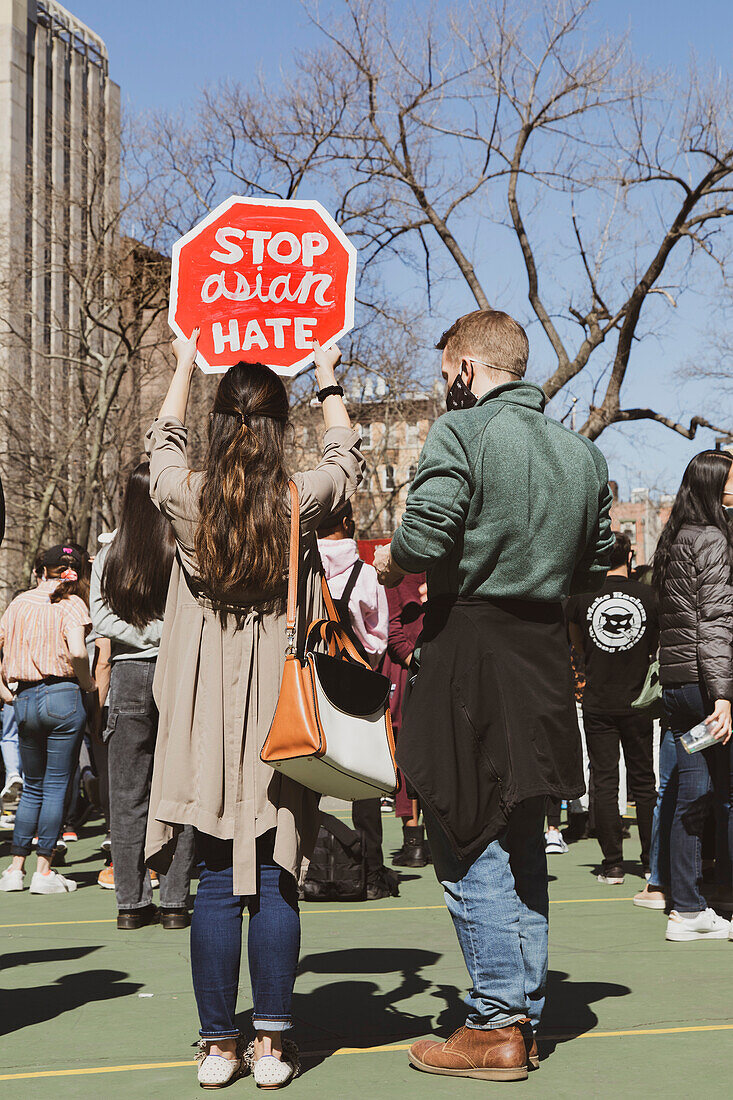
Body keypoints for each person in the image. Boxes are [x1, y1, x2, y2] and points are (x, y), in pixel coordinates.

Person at [374, 309, 613, 1081]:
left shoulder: (462, 433)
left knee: (464, 826)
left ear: (467, 367)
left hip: (467, 646)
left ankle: (493, 1023)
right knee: (519, 833)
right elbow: (600, 556)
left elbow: (427, 536)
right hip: (540, 652)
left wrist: (392, 562)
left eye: (446, 374)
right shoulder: (584, 454)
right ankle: (523, 1016)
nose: (445, 387)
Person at [144, 330, 363, 1089]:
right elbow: (346, 457)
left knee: (211, 876)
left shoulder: (189, 498)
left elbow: (160, 447)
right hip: (281, 709)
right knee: (276, 872)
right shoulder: (300, 498)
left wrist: (181, 368)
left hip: (206, 708)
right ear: (278, 425)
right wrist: (328, 380)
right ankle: (272, 1046)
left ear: (218, 420)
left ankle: (218, 1048)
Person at [91, 461, 196, 930]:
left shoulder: (109, 555)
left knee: (128, 796)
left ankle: (131, 904)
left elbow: (100, 619)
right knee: (181, 792)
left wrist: (141, 634)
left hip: (129, 675)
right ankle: (175, 900)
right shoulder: (182, 547)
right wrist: (164, 633)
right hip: (177, 673)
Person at [654, 450, 733, 942]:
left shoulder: (675, 538)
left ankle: (687, 904)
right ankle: (695, 903)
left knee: (692, 791)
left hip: (679, 686)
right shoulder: (712, 540)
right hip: (707, 688)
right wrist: (724, 695)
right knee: (714, 795)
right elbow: (717, 623)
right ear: (713, 485)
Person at [0, 545, 96, 894]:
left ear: (41, 571)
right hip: (63, 696)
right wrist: (87, 682)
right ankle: (44, 871)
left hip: (24, 698)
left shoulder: (17, 604)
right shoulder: (72, 605)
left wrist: (6, 692)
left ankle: (14, 868)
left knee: (32, 786)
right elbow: (77, 650)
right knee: (56, 786)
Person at [565, 532, 659, 885]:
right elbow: (655, 644)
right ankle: (651, 861)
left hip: (598, 700)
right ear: (629, 557)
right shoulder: (650, 597)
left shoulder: (581, 599)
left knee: (604, 780)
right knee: (644, 781)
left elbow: (577, 646)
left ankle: (613, 864)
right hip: (639, 701)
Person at [317, 502, 395, 899]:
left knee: (304, 774)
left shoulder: (301, 572)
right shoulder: (365, 574)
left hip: (308, 685)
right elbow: (379, 639)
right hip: (356, 682)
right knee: (365, 778)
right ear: (347, 523)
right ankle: (370, 871)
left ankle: (308, 864)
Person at [382, 572, 430, 867]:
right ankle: (415, 842)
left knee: (427, 758)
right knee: (409, 757)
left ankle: (424, 844)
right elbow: (394, 631)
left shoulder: (446, 565)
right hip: (411, 671)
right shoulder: (400, 574)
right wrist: (418, 661)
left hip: (435, 669)